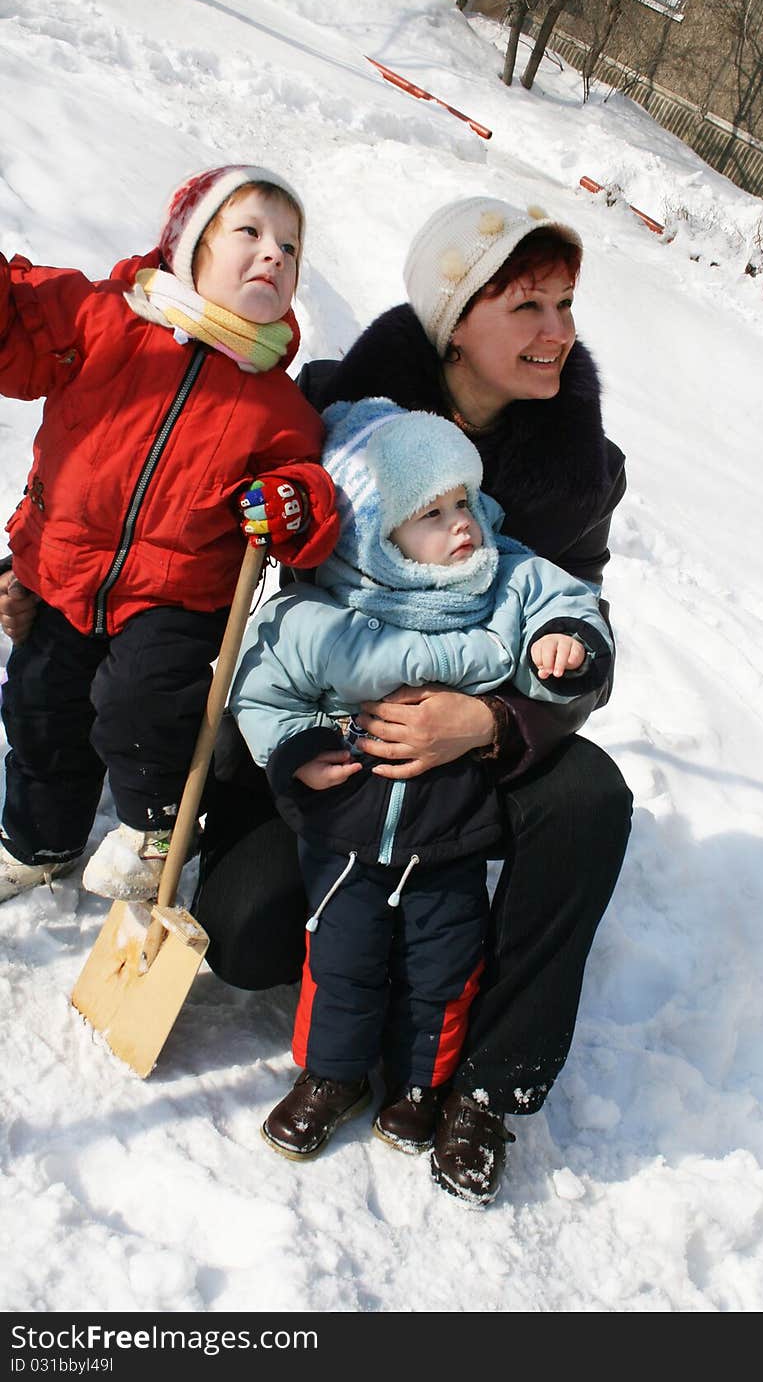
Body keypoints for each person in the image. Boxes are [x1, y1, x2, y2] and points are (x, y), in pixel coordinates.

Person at [192, 194, 633, 1206]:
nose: (557, 331)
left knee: (590, 798)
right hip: (340, 720)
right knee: (245, 932)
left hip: (473, 743)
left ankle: (487, 1081)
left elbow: (574, 636)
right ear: (453, 317)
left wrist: (492, 723)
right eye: (525, 305)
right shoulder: (341, 406)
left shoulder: (570, 475)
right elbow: (193, 515)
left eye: (566, 303)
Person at [229, 397, 614, 1187]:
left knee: (446, 962)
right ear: (377, 532)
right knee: (343, 958)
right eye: (430, 514)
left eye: (463, 500)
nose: (461, 524)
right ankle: (330, 1075)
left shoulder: (504, 582)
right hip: (350, 831)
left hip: (452, 831)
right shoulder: (323, 614)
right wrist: (295, 749)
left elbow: (570, 605)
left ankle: (422, 1083)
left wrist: (561, 647)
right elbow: (260, 689)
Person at [0, 164, 339, 905]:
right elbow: (16, 330)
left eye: (289, 246)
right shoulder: (101, 318)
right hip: (64, 569)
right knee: (38, 707)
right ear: (189, 244)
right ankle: (41, 839)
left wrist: (289, 503)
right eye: (249, 231)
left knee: (144, 705)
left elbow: (308, 489)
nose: (274, 254)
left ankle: (156, 829)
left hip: (178, 599)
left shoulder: (274, 399)